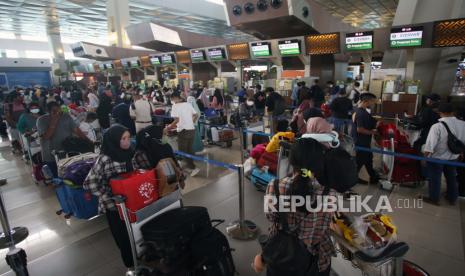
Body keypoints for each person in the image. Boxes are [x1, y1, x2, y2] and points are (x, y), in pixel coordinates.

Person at [253, 138, 335, 275]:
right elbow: (326, 224)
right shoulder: (329, 193)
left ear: (291, 160)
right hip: (314, 260)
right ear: (319, 162)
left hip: (280, 255)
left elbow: (270, 216)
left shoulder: (275, 186)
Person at [83, 124, 143, 271]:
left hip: (132, 203)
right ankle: (132, 266)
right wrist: (109, 195)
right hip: (114, 207)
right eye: (123, 138)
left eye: (128, 137)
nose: (127, 141)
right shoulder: (104, 159)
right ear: (114, 140)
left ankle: (141, 256)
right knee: (123, 237)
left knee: (137, 232)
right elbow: (89, 183)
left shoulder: (131, 153)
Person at [422, 103, 465, 206]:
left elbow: (430, 145)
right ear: (453, 112)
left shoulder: (437, 126)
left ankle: (434, 198)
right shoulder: (463, 124)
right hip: (454, 157)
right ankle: (452, 198)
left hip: (437, 157)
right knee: (451, 177)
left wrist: (424, 158)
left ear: (440, 113)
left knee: (435, 178)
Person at [37, 101, 90, 177]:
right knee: (56, 178)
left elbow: (77, 131)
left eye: (59, 110)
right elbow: (46, 136)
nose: (58, 113)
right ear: (48, 112)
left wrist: (89, 142)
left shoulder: (66, 117)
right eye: (54, 111)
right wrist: (54, 121)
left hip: (67, 153)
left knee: (70, 176)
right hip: (50, 155)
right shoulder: (41, 120)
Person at [166, 92, 200, 177]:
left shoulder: (175, 106)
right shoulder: (187, 104)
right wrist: (190, 122)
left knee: (183, 151)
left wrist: (168, 127)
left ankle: (193, 168)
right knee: (189, 149)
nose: (172, 101)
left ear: (175, 99)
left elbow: (176, 120)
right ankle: (189, 164)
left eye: (172, 99)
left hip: (183, 131)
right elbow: (196, 115)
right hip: (191, 129)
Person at [353, 93, 380, 184]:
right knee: (359, 162)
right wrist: (373, 132)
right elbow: (360, 129)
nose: (373, 104)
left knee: (368, 159)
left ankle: (373, 177)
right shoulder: (361, 113)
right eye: (372, 102)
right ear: (366, 101)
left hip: (363, 142)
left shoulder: (360, 111)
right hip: (361, 142)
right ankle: (352, 178)